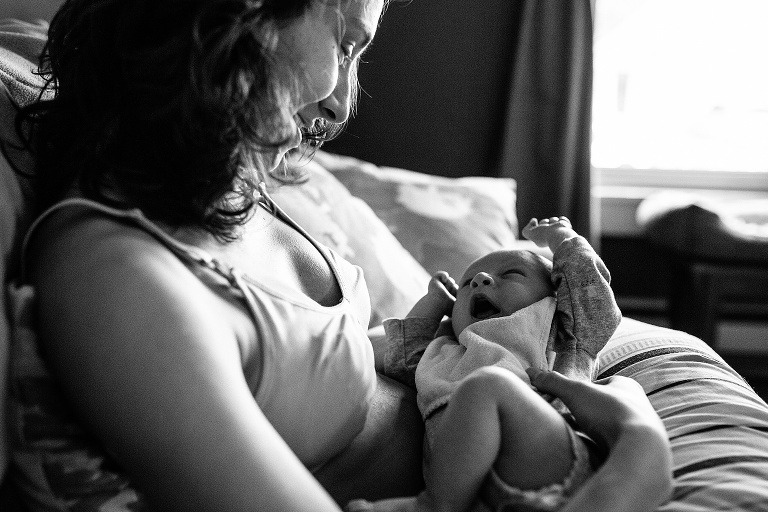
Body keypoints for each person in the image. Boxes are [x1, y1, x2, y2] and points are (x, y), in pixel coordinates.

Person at [4, 1, 671, 511]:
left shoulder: (227, 183)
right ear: (243, 14)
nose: (342, 100)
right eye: (347, 42)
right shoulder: (119, 283)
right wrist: (637, 461)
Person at [349, 217, 623, 511]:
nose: (480, 279)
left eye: (511, 274)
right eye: (467, 284)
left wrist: (561, 238)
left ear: (553, 299)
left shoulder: (559, 334)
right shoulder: (449, 349)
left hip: (547, 457)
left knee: (487, 386)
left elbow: (593, 299)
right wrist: (434, 303)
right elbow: (402, 361)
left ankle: (431, 505)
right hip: (476, 493)